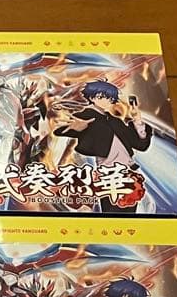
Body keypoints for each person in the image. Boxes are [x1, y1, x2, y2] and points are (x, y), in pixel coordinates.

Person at [54, 80, 152, 212]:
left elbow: (140, 144)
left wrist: (137, 120)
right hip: (108, 173)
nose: (108, 100)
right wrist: (77, 128)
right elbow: (60, 130)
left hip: (129, 172)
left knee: (129, 212)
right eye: (102, 96)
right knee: (112, 211)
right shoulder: (86, 115)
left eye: (110, 98)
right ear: (92, 97)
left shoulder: (115, 121)